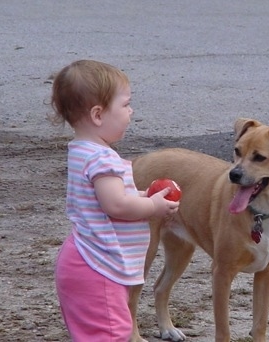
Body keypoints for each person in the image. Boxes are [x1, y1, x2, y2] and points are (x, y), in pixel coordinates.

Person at [51, 59, 179, 341]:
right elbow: (117, 206)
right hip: (99, 267)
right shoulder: (102, 158)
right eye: (125, 104)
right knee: (112, 335)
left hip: (85, 261)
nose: (130, 111)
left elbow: (112, 199)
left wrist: (144, 196)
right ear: (98, 114)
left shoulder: (82, 150)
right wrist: (153, 207)